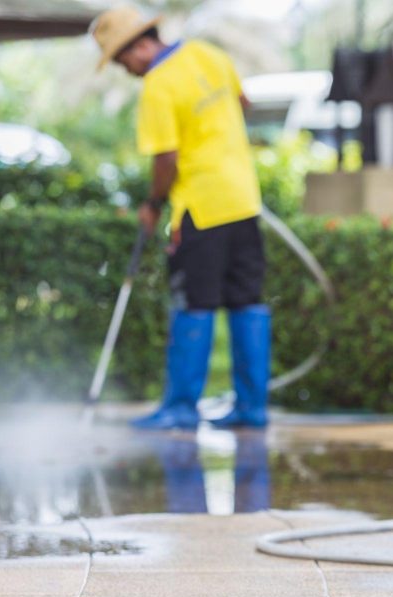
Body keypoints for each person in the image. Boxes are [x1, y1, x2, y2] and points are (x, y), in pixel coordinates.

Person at [91, 5, 270, 430]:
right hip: (244, 199)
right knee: (247, 301)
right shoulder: (208, 53)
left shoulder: (157, 85)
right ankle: (252, 409)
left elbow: (166, 159)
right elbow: (243, 104)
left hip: (202, 209)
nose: (125, 70)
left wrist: (153, 204)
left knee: (194, 303)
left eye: (120, 61)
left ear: (137, 48)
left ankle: (181, 408)